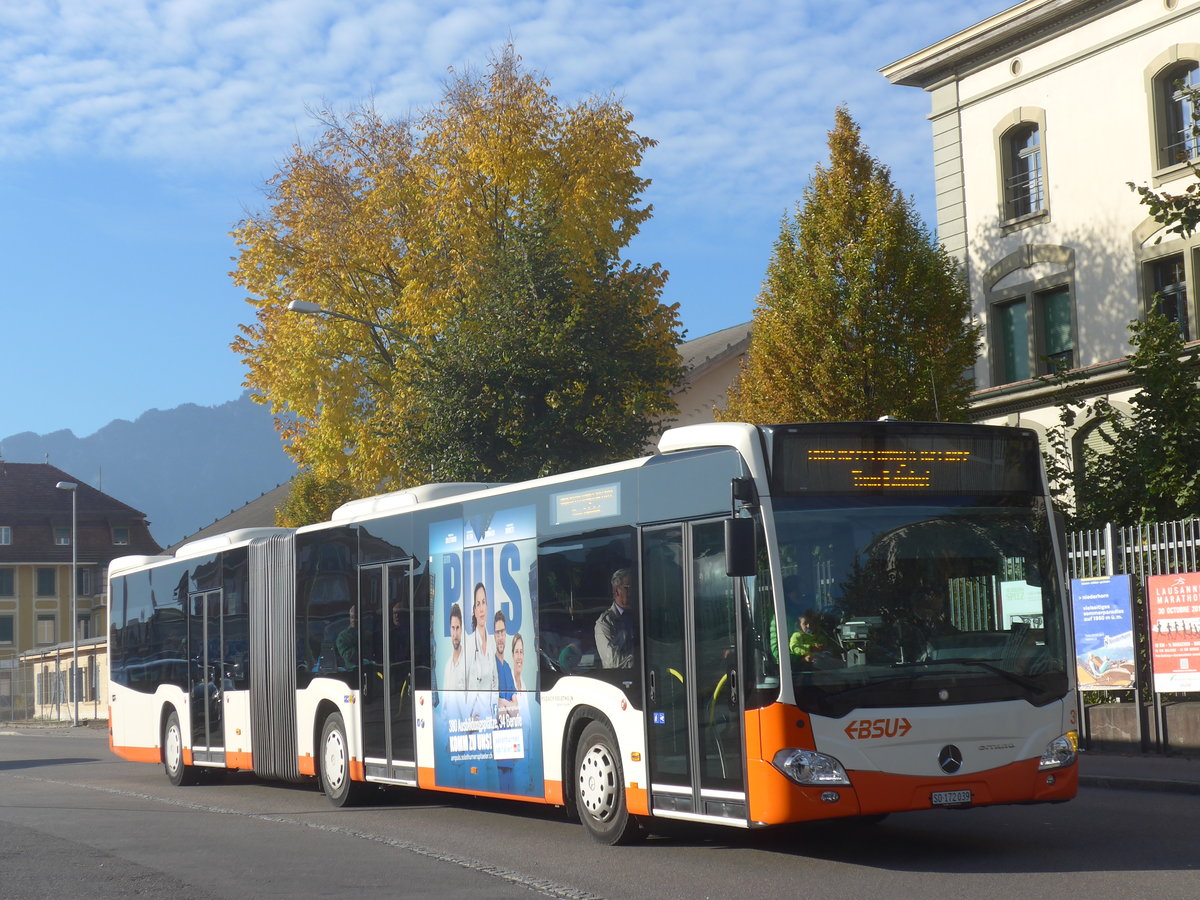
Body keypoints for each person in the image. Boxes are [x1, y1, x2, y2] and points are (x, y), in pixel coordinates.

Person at [595, 568, 636, 668]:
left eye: (635, 588)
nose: (633, 592)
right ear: (616, 591)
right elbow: (613, 662)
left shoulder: (641, 616)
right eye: (628, 588)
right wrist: (643, 658)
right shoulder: (605, 623)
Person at [335, 604, 358, 670]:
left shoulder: (367, 634)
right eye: (352, 617)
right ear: (349, 618)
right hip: (351, 672)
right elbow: (348, 656)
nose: (354, 620)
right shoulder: (342, 636)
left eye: (356, 617)